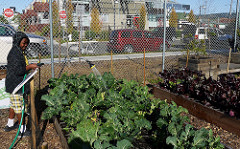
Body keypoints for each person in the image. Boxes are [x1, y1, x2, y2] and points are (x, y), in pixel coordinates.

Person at [4, 31, 39, 138]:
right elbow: (19, 70)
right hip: (16, 85)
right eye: (23, 43)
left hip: (13, 83)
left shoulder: (18, 51)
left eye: (26, 43)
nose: (25, 45)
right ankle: (22, 130)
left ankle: (10, 124)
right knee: (20, 107)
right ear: (17, 41)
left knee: (13, 105)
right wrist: (30, 67)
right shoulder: (15, 54)